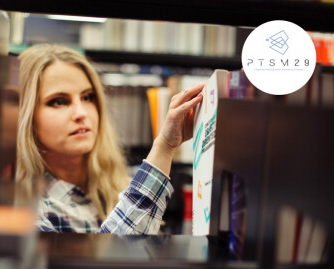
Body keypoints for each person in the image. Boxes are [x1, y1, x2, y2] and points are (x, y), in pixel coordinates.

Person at [16, 44, 204, 234]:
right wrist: (164, 147)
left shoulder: (115, 184)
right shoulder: (23, 211)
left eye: (88, 97)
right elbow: (114, 257)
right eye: (59, 101)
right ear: (25, 115)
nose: (81, 113)